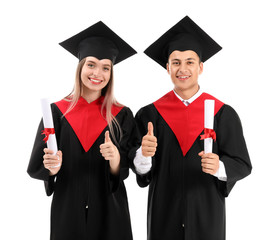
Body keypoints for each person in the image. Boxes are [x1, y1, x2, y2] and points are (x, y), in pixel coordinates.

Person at [132, 16, 252, 240]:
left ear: (201, 67)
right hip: (163, 215)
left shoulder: (223, 114)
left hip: (207, 215)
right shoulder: (149, 115)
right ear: (167, 67)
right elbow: (140, 172)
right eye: (176, 62)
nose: (182, 68)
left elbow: (243, 164)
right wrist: (143, 156)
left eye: (190, 62)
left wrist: (220, 167)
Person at [27, 21, 138, 240]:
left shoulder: (122, 115)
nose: (98, 73)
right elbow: (37, 166)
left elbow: (128, 168)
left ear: (111, 73)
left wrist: (115, 159)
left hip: (111, 212)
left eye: (106, 67)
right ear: (80, 67)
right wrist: (52, 168)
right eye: (91, 64)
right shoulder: (56, 114)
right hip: (68, 211)